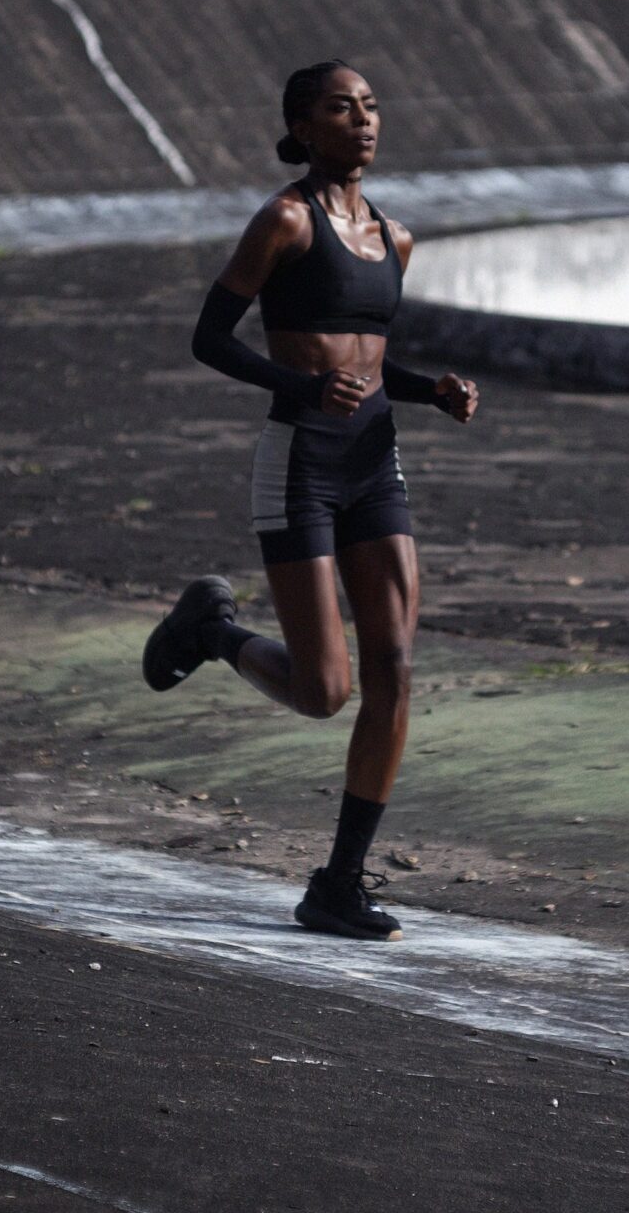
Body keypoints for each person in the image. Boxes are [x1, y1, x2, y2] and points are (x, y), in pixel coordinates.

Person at [142, 60, 478, 942]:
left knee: (394, 666)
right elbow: (210, 338)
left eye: (371, 107)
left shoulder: (395, 239)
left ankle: (338, 884)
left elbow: (370, 363)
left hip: (375, 465)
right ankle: (211, 631)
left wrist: (432, 390)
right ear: (303, 124)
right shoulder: (286, 221)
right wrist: (301, 388)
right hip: (301, 463)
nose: (363, 121)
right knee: (324, 690)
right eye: (341, 108)